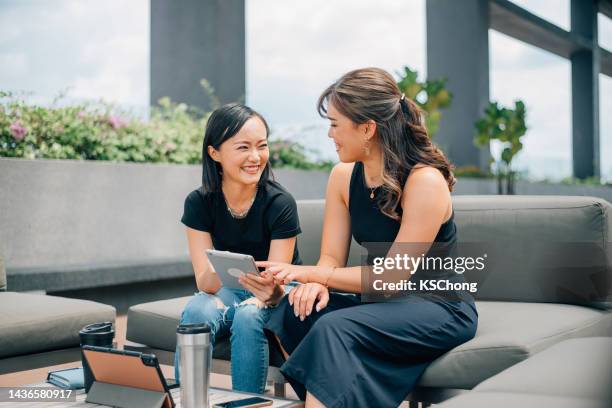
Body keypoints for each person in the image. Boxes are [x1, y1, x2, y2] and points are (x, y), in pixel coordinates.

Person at [258, 68, 478, 408]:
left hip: (438, 306)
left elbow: (392, 277)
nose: (329, 134)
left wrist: (313, 275)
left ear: (367, 128)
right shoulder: (343, 177)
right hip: (382, 303)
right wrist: (318, 284)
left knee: (334, 327)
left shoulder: (424, 181)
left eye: (334, 124)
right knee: (294, 309)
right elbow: (331, 258)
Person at [175, 103, 302, 394]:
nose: (255, 157)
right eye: (243, 147)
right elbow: (204, 283)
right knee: (197, 308)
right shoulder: (199, 203)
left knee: (247, 314)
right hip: (229, 288)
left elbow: (275, 282)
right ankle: (187, 398)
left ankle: (247, 401)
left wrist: (252, 294)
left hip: (281, 291)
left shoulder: (280, 203)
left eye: (262, 146)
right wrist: (223, 267)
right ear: (214, 152)